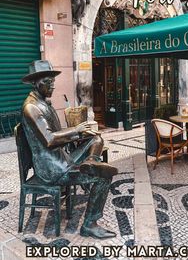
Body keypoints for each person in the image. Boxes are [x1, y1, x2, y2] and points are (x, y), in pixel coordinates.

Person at [21, 60, 118, 239]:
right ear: (36, 83)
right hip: (52, 168)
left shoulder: (43, 102)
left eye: (53, 81)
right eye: (47, 82)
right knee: (104, 176)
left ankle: (91, 162)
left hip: (61, 158)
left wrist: (80, 133)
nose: (52, 85)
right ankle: (89, 224)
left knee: (96, 138)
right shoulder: (31, 108)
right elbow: (50, 140)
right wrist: (75, 131)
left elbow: (56, 134)